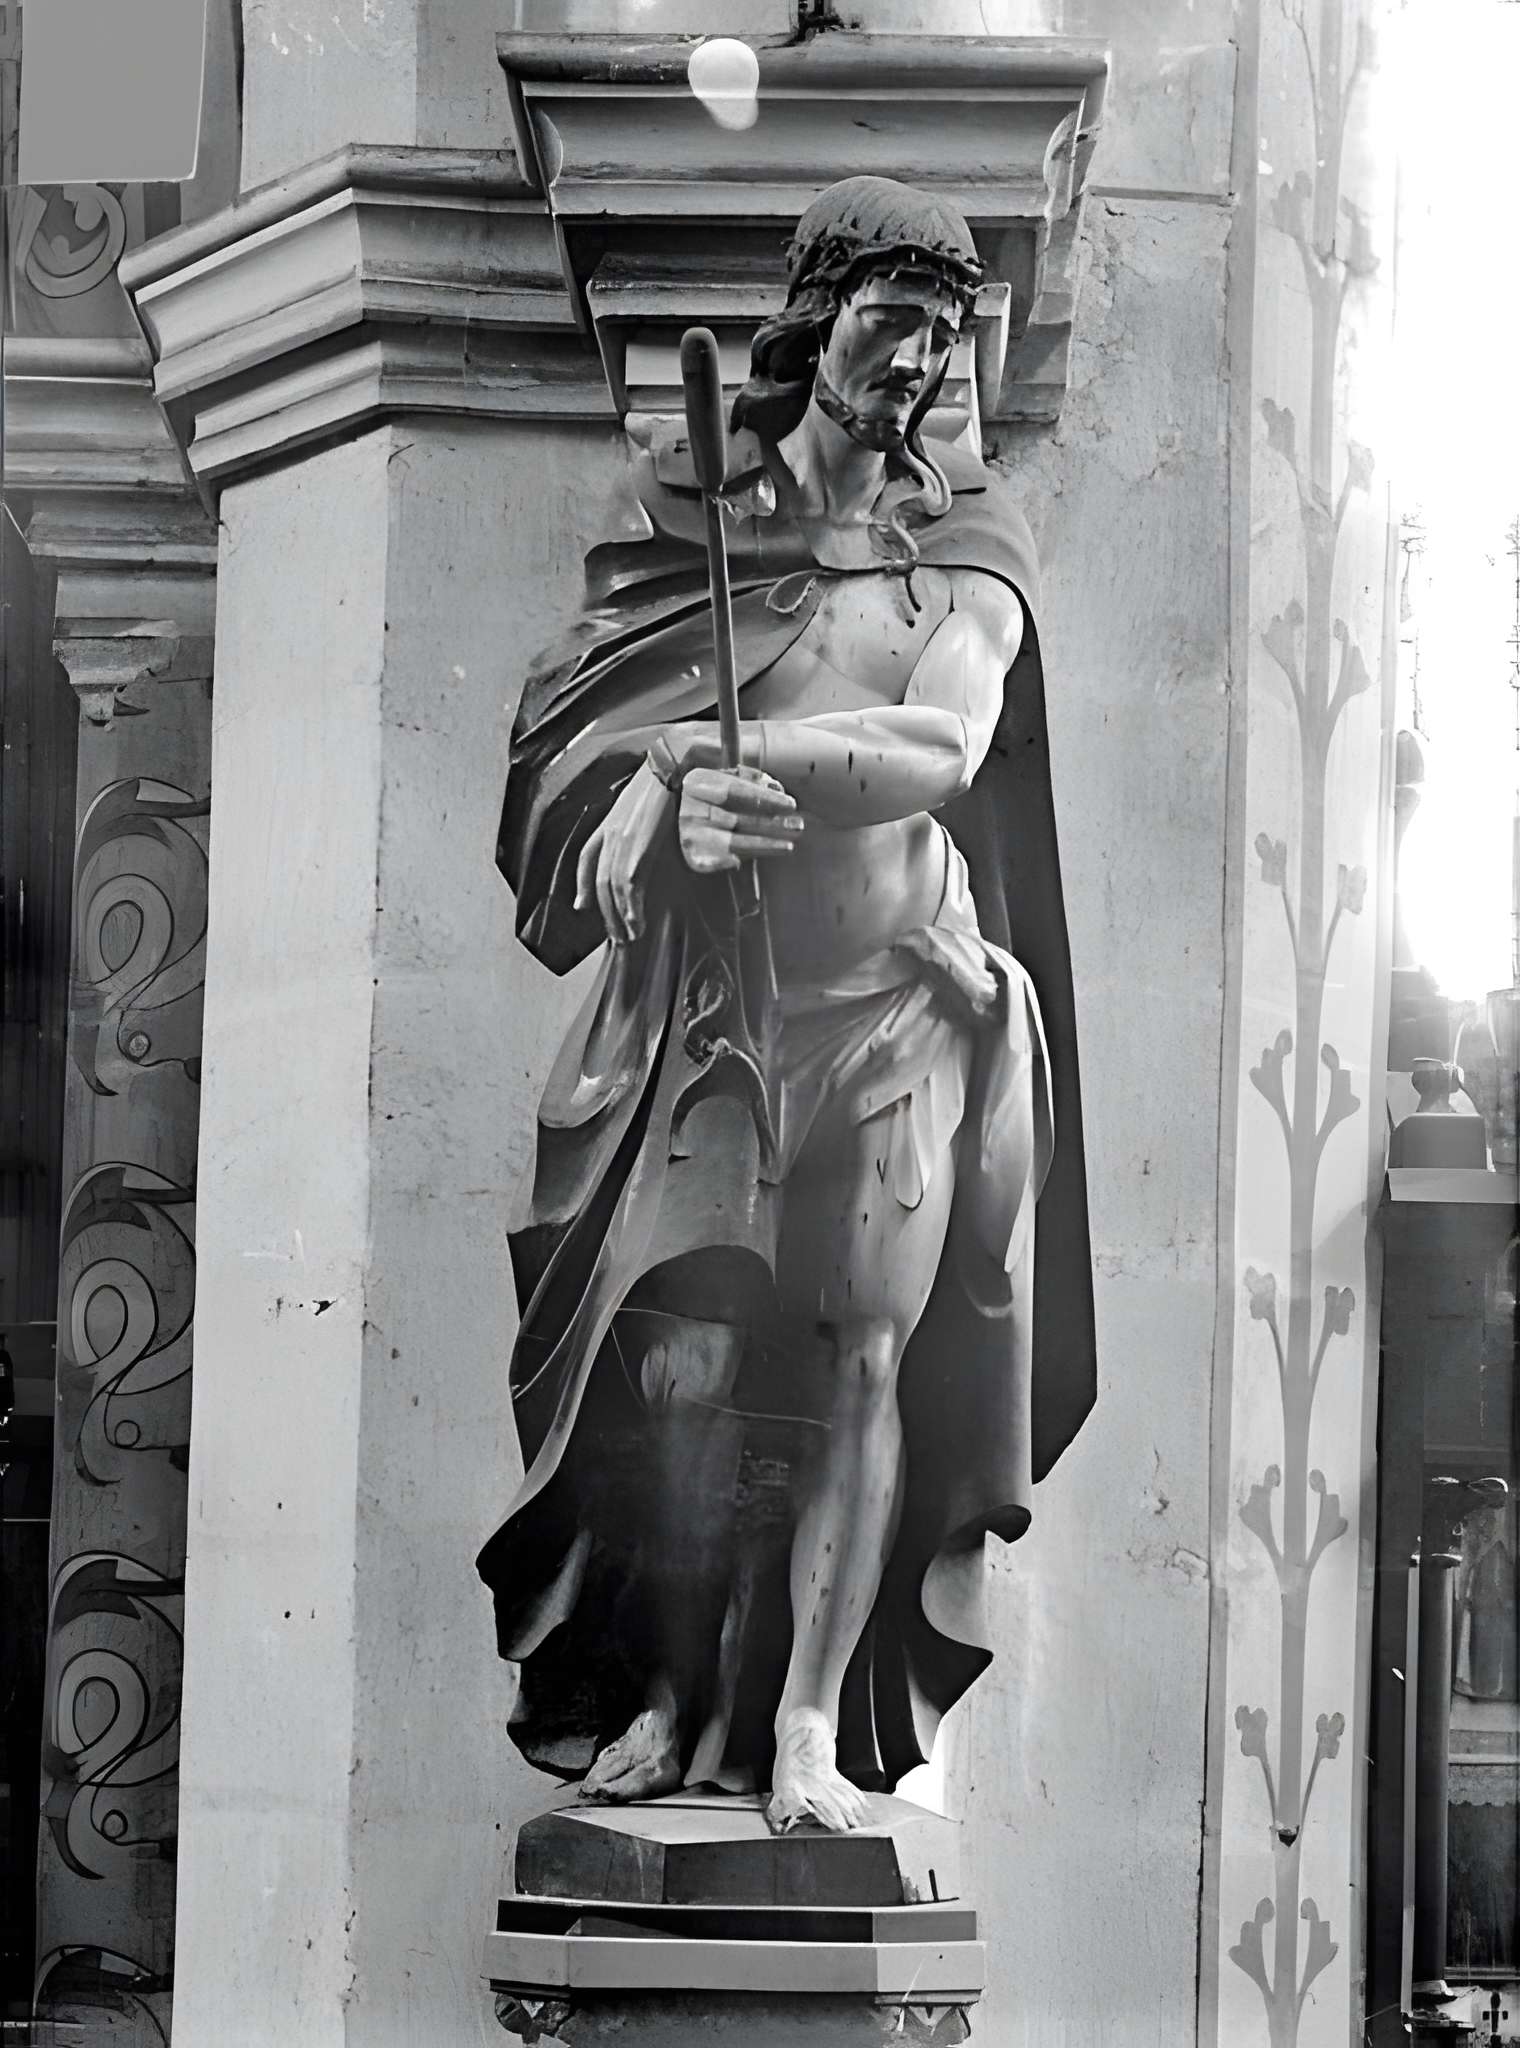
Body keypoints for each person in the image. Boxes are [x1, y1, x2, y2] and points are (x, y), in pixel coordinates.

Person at [478, 175, 1095, 1834]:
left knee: (863, 1358)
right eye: (892, 323)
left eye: (943, 334)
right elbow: (575, 756)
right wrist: (657, 800)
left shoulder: (966, 546)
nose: (917, 365)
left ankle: (810, 1723)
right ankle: (677, 1696)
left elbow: (939, 752)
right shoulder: (696, 528)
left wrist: (704, 761)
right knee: (677, 1358)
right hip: (726, 1017)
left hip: (898, 1012)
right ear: (816, 322)